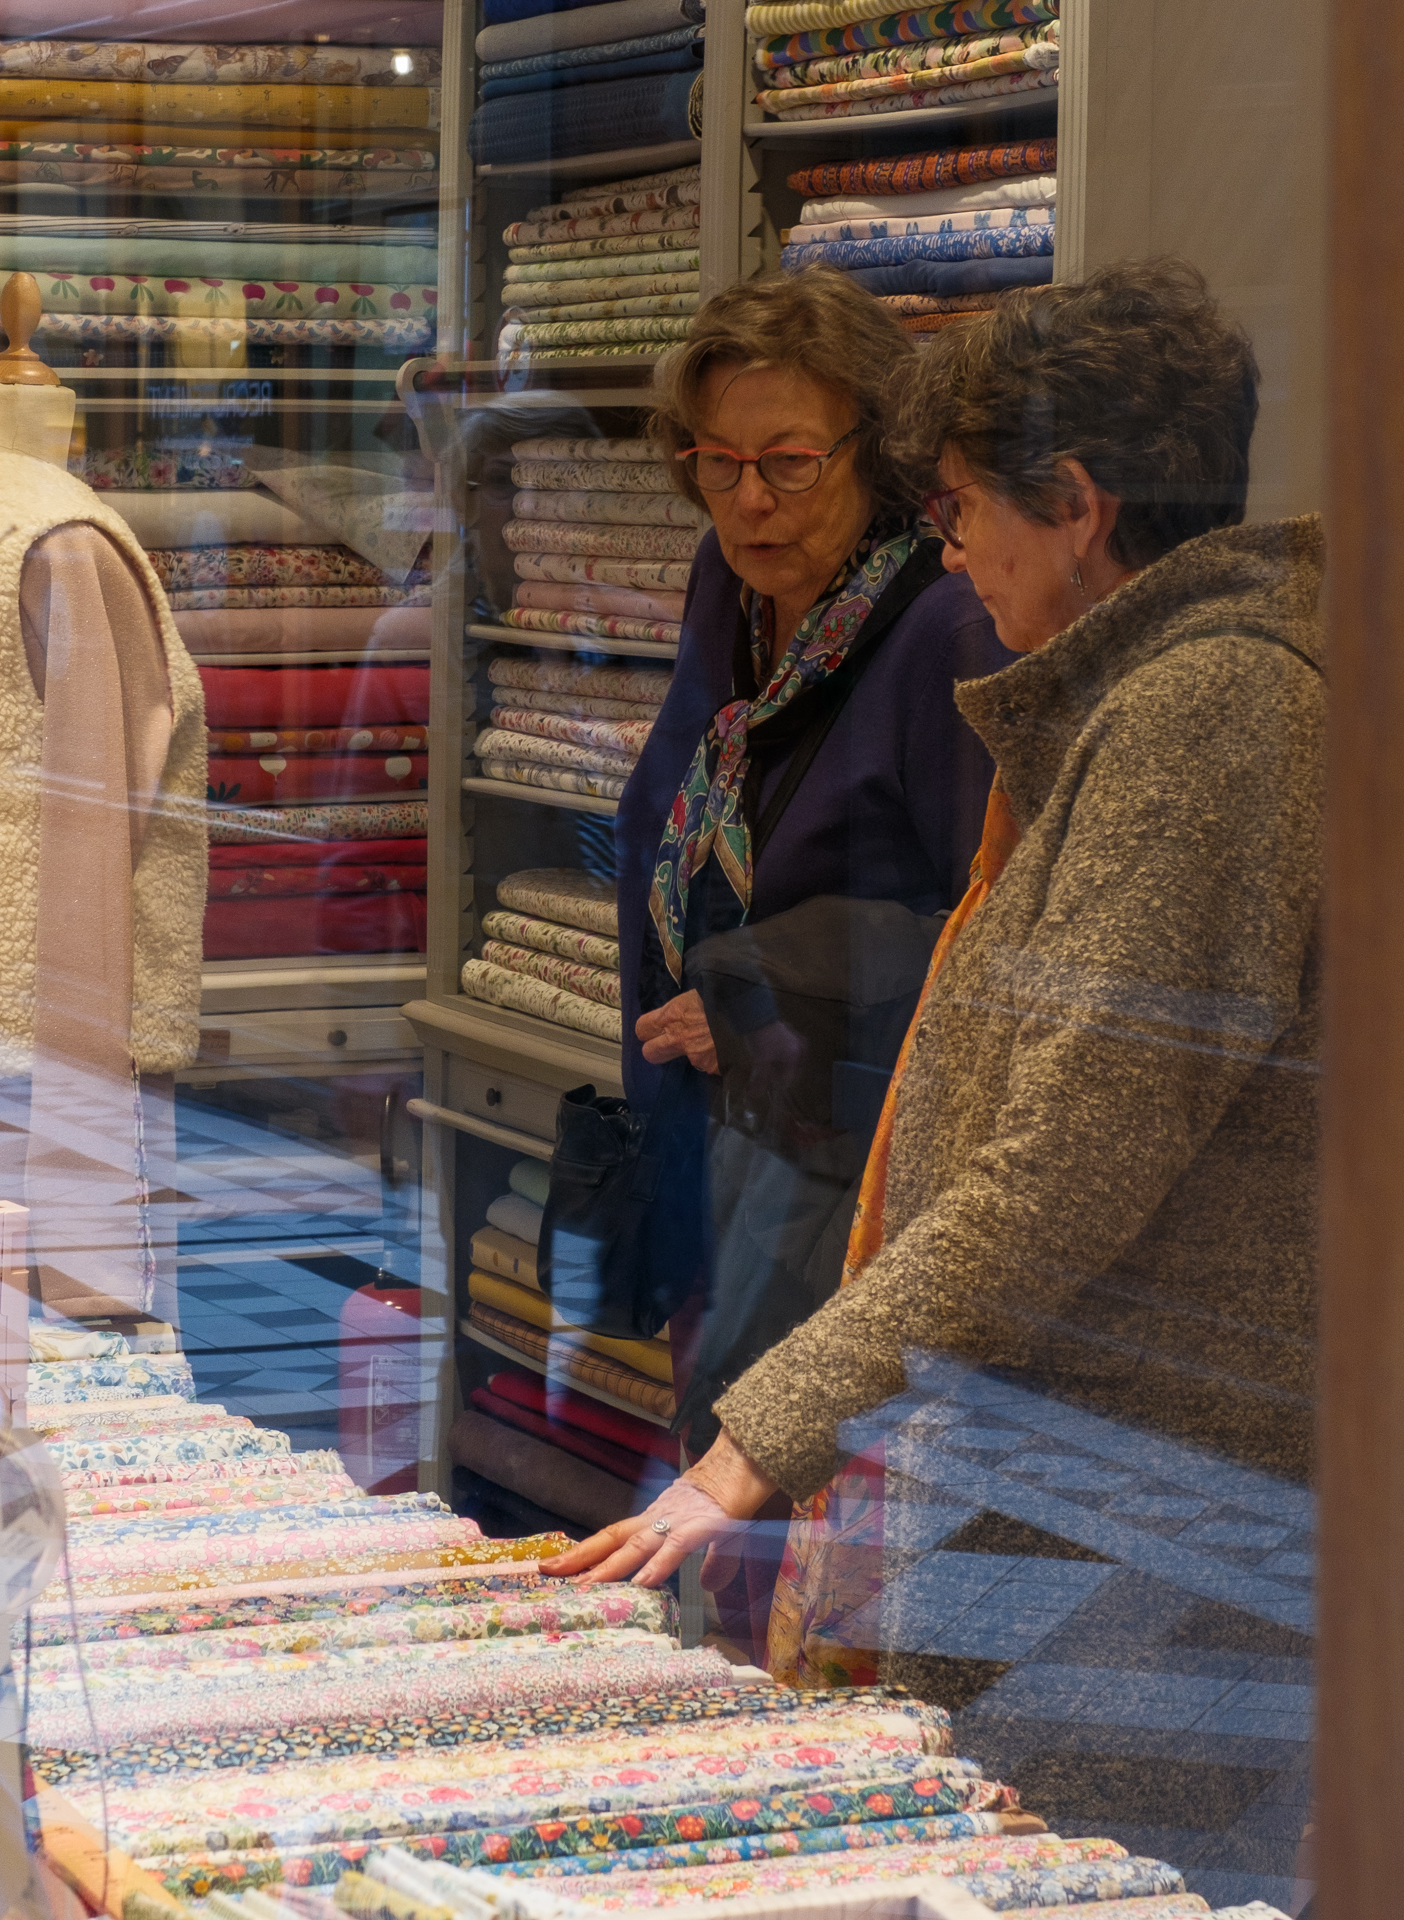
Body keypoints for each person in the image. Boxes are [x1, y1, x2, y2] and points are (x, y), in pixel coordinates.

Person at [548, 260, 1324, 1696]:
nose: (950, 552)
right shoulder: (1156, 692)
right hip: (1098, 1458)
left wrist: (760, 1440)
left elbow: (1069, 1161)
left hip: (1133, 1482)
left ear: (1076, 507)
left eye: (960, 509)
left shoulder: (1204, 714)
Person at [607, 270, 1007, 1494]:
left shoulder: (947, 626)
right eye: (717, 462)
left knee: (784, 1527)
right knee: (710, 1498)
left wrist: (756, 996)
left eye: (789, 463)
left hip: (835, 1180)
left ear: (874, 451)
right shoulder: (728, 586)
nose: (748, 501)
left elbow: (988, 941)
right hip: (712, 1139)